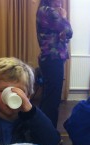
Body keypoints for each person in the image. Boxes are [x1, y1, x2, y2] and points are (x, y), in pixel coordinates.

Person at [36, 0, 73, 128]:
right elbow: (68, 32)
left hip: (49, 59)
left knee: (48, 97)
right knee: (52, 99)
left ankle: (41, 130)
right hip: (53, 59)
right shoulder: (49, 11)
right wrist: (64, 16)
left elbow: (63, 36)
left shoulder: (43, 10)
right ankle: (49, 132)